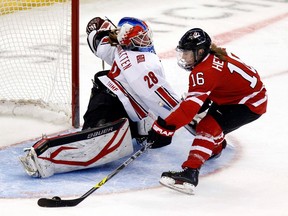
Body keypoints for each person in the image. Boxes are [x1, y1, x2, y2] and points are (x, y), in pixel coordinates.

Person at [19, 16, 182, 178]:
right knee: (91, 145)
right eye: (141, 38)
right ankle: (41, 155)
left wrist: (100, 28)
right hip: (107, 104)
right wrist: (178, 119)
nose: (146, 41)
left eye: (146, 36)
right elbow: (170, 106)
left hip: (122, 103)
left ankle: (138, 129)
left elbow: (98, 41)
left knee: (150, 128)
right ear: (129, 40)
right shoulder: (142, 65)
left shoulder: (121, 48)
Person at [147, 28, 268, 194]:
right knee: (200, 118)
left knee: (206, 127)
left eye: (187, 53)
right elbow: (225, 80)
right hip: (236, 97)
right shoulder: (214, 56)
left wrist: (164, 127)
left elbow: (188, 110)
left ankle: (189, 174)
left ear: (200, 52)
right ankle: (215, 146)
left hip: (247, 104)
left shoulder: (205, 71)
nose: (183, 57)